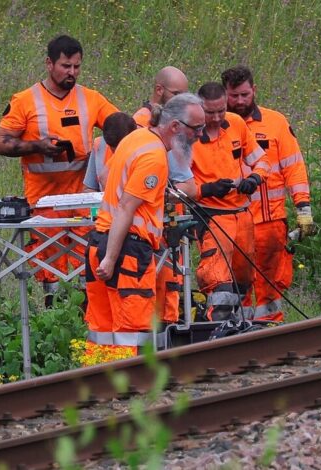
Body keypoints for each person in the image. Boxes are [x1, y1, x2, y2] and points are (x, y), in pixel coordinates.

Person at [0, 34, 119, 306]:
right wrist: (36, 146)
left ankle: (88, 319)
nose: (71, 72)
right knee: (50, 271)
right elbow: (0, 144)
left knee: (89, 266)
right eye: (65, 66)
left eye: (76, 67)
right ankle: (53, 318)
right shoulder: (25, 100)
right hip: (44, 203)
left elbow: (120, 129)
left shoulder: (91, 99)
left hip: (85, 201)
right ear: (49, 64)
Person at [84, 93, 205, 361]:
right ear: (175, 126)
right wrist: (111, 259)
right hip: (126, 250)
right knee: (132, 333)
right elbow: (127, 206)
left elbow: (115, 185)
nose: (200, 135)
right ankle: (130, 393)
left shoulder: (136, 139)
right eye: (196, 129)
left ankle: (99, 387)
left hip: (100, 241)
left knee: (102, 331)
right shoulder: (154, 157)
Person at [221, 66, 315, 322]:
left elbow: (294, 166)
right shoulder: (217, 126)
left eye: (244, 94)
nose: (240, 101)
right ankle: (235, 333)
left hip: (270, 221)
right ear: (224, 94)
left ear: (254, 90)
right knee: (233, 284)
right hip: (232, 221)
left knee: (270, 285)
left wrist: (303, 208)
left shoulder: (276, 123)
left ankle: (269, 331)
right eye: (234, 96)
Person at [189, 82, 269, 321]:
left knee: (243, 279)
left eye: (220, 111)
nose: (215, 118)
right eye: (209, 112)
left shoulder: (236, 124)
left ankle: (240, 328)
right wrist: (208, 189)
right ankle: (215, 328)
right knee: (217, 279)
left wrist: (254, 178)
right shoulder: (189, 134)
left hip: (242, 214)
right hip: (212, 217)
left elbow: (262, 161)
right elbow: (179, 185)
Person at [133, 66, 196, 324]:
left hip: (169, 229)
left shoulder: (175, 128)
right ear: (159, 90)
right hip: (143, 230)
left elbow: (189, 186)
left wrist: (169, 195)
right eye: (177, 94)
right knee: (141, 301)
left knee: (167, 299)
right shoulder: (140, 125)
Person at [83, 112, 137, 191]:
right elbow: (89, 188)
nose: (117, 151)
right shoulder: (99, 145)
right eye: (113, 148)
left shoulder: (145, 151)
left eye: (122, 147)